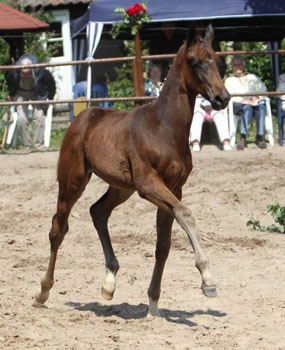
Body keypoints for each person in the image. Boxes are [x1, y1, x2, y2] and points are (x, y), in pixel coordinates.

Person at [6, 54, 56, 148]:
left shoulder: (41, 71)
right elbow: (10, 81)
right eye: (23, 74)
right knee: (21, 118)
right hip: (20, 93)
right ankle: (26, 145)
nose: (26, 76)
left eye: (28, 74)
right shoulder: (13, 72)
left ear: (32, 68)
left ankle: (39, 144)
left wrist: (50, 96)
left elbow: (51, 82)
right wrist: (11, 94)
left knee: (39, 115)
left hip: (36, 93)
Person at [225, 56, 267, 150]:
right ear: (232, 67)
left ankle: (260, 137)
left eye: (239, 64)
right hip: (239, 104)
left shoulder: (253, 77)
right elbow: (229, 95)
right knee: (247, 108)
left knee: (262, 108)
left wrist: (257, 97)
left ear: (243, 66)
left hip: (255, 102)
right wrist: (242, 100)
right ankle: (243, 137)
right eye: (235, 65)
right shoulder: (229, 80)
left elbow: (263, 89)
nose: (237, 67)